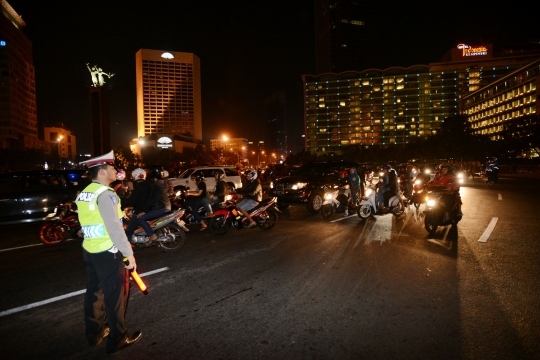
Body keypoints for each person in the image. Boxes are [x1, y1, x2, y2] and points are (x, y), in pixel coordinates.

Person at [75, 150, 142, 355]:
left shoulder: (86, 192)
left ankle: (94, 333)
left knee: (94, 293)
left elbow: (88, 220)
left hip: (90, 250)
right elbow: (114, 227)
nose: (116, 170)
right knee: (116, 296)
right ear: (102, 171)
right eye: (112, 167)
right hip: (108, 253)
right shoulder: (106, 194)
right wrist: (128, 253)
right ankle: (117, 338)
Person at [125, 165, 171, 245]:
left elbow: (151, 200)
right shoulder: (161, 183)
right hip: (166, 206)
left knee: (140, 218)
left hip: (160, 208)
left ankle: (152, 235)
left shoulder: (155, 185)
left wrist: (144, 211)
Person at [122, 168, 152, 234]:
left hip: (140, 211)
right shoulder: (149, 185)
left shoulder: (139, 187)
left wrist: (121, 203)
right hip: (149, 210)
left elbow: (132, 201)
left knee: (128, 231)